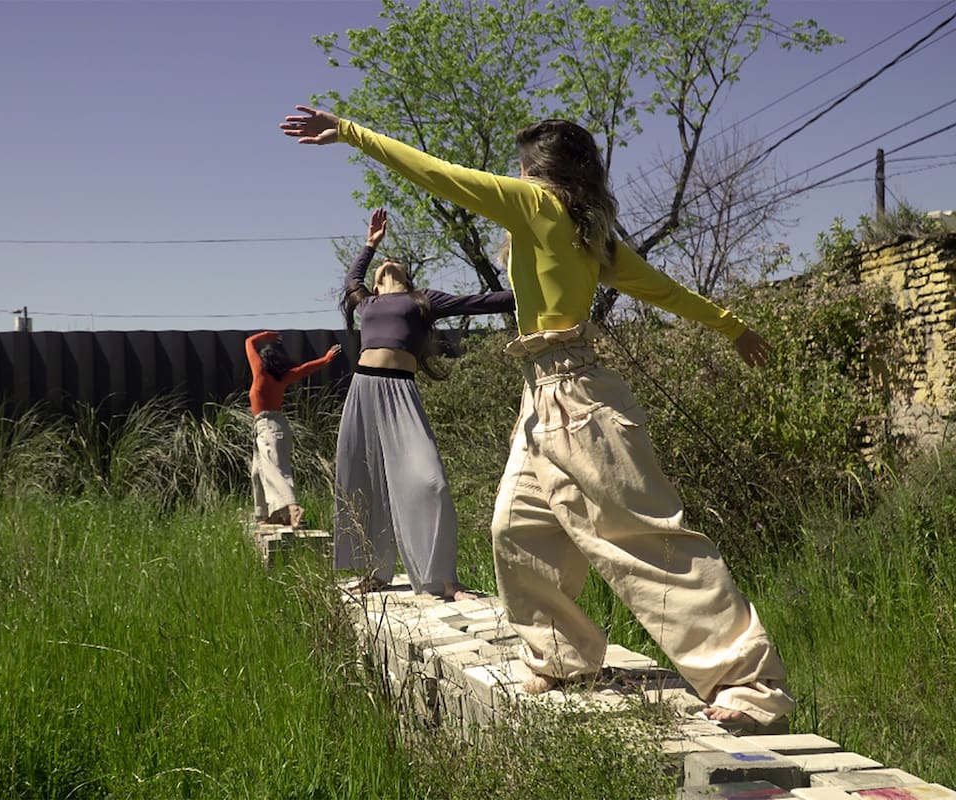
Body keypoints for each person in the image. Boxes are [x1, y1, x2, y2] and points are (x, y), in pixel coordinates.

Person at [281, 106, 794, 730]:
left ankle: (750, 685)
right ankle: (562, 656)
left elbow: (440, 175)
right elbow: (664, 290)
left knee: (642, 537)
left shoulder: (541, 207)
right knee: (518, 530)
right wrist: (731, 328)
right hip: (541, 395)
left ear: (540, 172)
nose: (514, 177)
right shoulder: (585, 232)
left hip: (576, 396)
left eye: (522, 168)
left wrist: (353, 132)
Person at [333, 207, 515, 602]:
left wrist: (531, 293)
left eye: (390, 262)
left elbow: (478, 301)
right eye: (380, 267)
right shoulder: (366, 304)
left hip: (400, 393)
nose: (386, 264)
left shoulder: (422, 300)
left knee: (431, 482)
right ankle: (374, 572)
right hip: (363, 391)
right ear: (375, 287)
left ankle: (446, 582)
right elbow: (351, 280)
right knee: (364, 481)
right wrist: (369, 246)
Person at [246, 330, 341, 528]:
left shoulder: (260, 373)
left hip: (268, 428)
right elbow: (306, 369)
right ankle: (266, 516)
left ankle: (292, 507)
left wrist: (266, 335)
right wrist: (325, 359)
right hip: (272, 427)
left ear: (263, 362)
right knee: (257, 472)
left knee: (274, 470)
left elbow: (249, 342)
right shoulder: (283, 377)